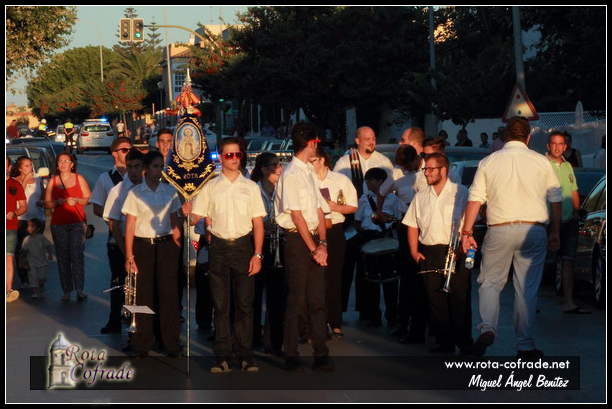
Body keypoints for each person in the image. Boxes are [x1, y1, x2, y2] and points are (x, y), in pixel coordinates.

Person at [461, 116, 562, 357]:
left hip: (499, 228)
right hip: (533, 230)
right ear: (528, 137)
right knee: (527, 288)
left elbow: (475, 199)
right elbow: (556, 200)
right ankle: (525, 345)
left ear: (505, 136)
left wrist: (467, 232)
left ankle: (488, 327)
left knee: (490, 282)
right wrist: (555, 231)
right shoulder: (542, 162)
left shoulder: (489, 162)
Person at [190, 137, 266, 373]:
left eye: (238, 154)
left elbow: (258, 223)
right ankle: (222, 356)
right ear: (221, 158)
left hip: (243, 247)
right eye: (229, 155)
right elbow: (194, 217)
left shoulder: (251, 187)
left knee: (244, 304)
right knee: (221, 304)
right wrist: (187, 211)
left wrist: (257, 254)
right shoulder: (210, 187)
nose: (234, 159)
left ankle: (245, 355)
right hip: (219, 248)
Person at [275, 121, 334, 372]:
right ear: (311, 143)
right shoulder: (290, 174)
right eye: (316, 143)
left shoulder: (309, 171)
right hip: (297, 241)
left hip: (314, 239)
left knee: (317, 299)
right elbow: (296, 215)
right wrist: (313, 248)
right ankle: (291, 353)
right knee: (296, 299)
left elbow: (319, 209)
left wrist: (323, 243)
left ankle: (321, 353)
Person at [404, 153, 473, 354]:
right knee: (435, 300)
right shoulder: (420, 196)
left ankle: (464, 342)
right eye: (425, 169)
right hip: (430, 251)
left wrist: (465, 244)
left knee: (459, 298)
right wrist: (414, 252)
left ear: (444, 170)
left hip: (456, 250)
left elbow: (471, 221)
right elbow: (412, 224)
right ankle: (445, 342)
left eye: (430, 169)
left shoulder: (461, 192)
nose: (426, 173)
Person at [122, 151, 183, 358]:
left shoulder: (170, 191)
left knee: (168, 295)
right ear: (146, 169)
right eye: (156, 166)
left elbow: (174, 222)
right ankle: (141, 343)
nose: (159, 171)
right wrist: (129, 256)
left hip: (166, 245)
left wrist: (177, 245)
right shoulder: (135, 193)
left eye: (161, 166)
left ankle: (171, 342)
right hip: (143, 246)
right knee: (142, 295)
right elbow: (130, 226)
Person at [333, 126, 393, 320]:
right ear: (357, 140)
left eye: (373, 138)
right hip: (351, 221)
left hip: (373, 223)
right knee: (346, 269)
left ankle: (368, 311)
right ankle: (337, 312)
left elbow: (391, 189)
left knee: (369, 270)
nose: (371, 142)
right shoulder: (345, 162)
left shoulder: (383, 162)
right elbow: (336, 189)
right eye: (367, 138)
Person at [311, 146, 358, 338]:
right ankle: (317, 322)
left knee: (335, 277)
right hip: (315, 231)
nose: (310, 165)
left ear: (322, 160)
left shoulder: (340, 179)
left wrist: (334, 207)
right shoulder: (307, 180)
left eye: (312, 161)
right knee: (316, 279)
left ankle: (335, 322)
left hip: (335, 230)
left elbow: (352, 206)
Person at [90, 137, 133, 333]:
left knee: (136, 280)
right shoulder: (105, 178)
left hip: (137, 235)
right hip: (115, 236)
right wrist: (112, 219)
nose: (128, 153)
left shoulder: (137, 176)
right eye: (124, 150)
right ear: (114, 153)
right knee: (117, 278)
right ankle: (114, 318)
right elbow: (97, 207)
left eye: (130, 149)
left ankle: (134, 317)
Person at [102, 149, 145, 335]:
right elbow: (113, 222)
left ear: (143, 168)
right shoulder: (118, 190)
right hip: (120, 243)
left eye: (137, 167)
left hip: (142, 243)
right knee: (120, 284)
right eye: (130, 167)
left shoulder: (149, 187)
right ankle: (114, 320)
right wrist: (124, 248)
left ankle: (141, 325)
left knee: (140, 287)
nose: (133, 171)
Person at [546, 132, 590, 314]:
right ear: (548, 146)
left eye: (560, 144)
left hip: (568, 221)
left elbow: (573, 192)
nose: (557, 147)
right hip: (548, 222)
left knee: (568, 260)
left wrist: (576, 212)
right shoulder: (542, 165)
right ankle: (530, 304)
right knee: (543, 261)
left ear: (565, 147)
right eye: (554, 144)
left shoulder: (568, 167)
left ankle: (569, 302)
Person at [354, 167, 400, 327]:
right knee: (371, 281)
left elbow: (398, 220)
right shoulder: (364, 199)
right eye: (366, 180)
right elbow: (357, 221)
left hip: (386, 239)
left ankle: (392, 316)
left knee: (390, 281)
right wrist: (364, 237)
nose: (367, 183)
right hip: (369, 239)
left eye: (370, 180)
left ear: (381, 181)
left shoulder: (393, 199)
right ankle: (374, 316)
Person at [250, 152, 285, 354]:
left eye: (280, 165)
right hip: (257, 244)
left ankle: (274, 340)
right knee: (254, 294)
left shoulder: (282, 190)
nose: (280, 169)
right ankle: (254, 336)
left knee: (277, 295)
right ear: (264, 170)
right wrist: (263, 225)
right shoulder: (253, 190)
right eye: (275, 165)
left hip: (278, 243)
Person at [44, 152, 91, 301]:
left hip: (77, 223)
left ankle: (79, 289)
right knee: (63, 258)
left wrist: (76, 200)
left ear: (72, 164)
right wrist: (57, 202)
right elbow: (47, 203)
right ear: (57, 165)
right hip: (58, 224)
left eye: (66, 161)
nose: (63, 164)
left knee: (77, 256)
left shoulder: (79, 178)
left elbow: (88, 199)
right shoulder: (53, 181)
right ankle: (66, 291)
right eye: (60, 161)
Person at [11, 156, 46, 291]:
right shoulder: (14, 182)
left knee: (36, 250)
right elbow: (15, 198)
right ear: (19, 168)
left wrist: (42, 202)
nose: (30, 168)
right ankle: (24, 278)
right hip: (21, 220)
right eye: (26, 166)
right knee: (22, 250)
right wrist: (25, 180)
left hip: (37, 218)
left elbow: (42, 197)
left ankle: (37, 277)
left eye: (30, 165)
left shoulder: (37, 181)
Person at [6, 157, 27, 303]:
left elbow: (23, 206)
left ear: (9, 168)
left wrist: (14, 213)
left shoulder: (15, 185)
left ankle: (8, 290)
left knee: (8, 258)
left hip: (10, 226)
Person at [19, 218, 53, 299]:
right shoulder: (26, 239)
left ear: (38, 228)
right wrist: (22, 259)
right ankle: (34, 293)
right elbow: (23, 250)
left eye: (32, 226)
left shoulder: (41, 237)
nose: (29, 228)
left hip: (42, 262)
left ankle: (41, 284)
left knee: (42, 277)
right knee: (32, 278)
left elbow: (48, 245)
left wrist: (50, 254)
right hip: (31, 263)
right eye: (28, 226)